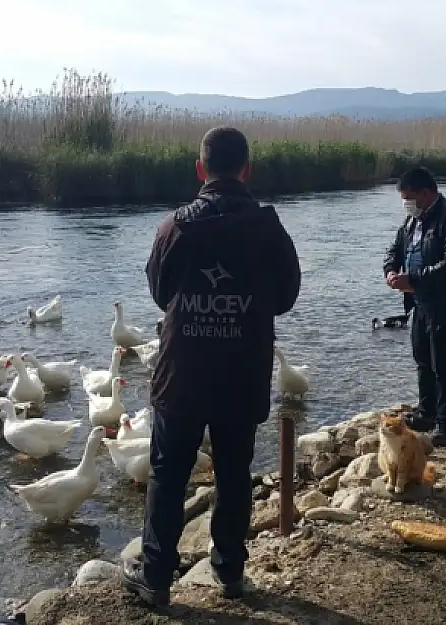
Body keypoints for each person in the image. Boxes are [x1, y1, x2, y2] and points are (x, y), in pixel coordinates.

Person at [123, 126, 302, 607]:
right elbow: (285, 298)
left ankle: (156, 579)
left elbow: (161, 295)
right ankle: (230, 573)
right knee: (233, 473)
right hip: (242, 372)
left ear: (201, 169)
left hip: (182, 373)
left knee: (167, 473)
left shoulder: (174, 228)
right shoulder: (269, 228)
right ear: (247, 170)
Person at [383, 167, 446, 447]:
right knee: (423, 358)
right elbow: (395, 248)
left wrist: (411, 279)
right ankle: (426, 413)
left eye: (408, 197)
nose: (405, 203)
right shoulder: (413, 221)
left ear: (425, 193)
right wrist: (391, 270)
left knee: (444, 363)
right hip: (422, 301)